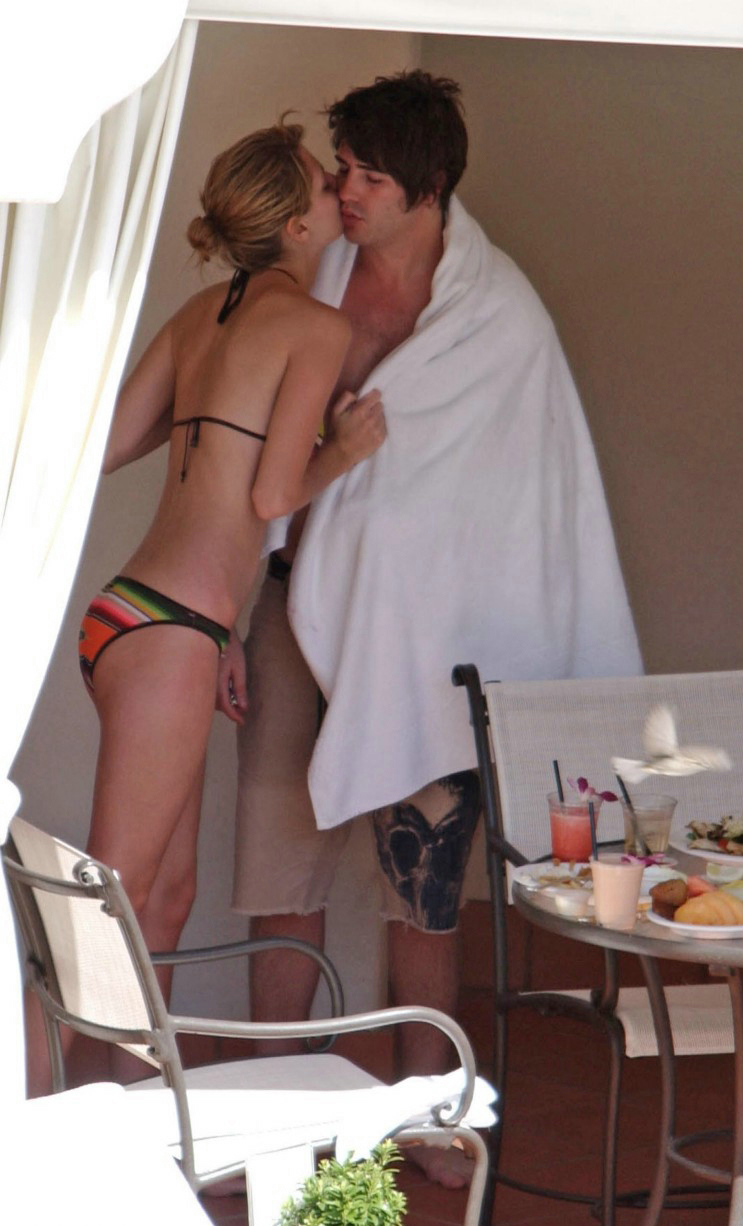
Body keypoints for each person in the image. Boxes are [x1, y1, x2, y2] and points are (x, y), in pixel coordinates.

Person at [228, 72, 641, 1185]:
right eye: (343, 169)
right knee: (279, 868)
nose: (346, 192)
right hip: (292, 609)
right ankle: (270, 1119)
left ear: (433, 184)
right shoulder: (306, 275)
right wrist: (224, 612)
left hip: (429, 638)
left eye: (371, 176)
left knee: (424, 887)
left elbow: (536, 501)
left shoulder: (500, 317)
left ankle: (429, 1110)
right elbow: (238, 456)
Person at [74, 116, 386, 1029]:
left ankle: (138, 1103)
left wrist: (221, 632)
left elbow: (106, 449)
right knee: (113, 902)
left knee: (163, 899)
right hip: (173, 636)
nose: (340, 191)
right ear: (296, 225)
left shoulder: (198, 316)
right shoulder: (315, 327)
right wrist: (345, 450)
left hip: (140, 617)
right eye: (325, 184)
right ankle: (51, 1101)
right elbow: (274, 495)